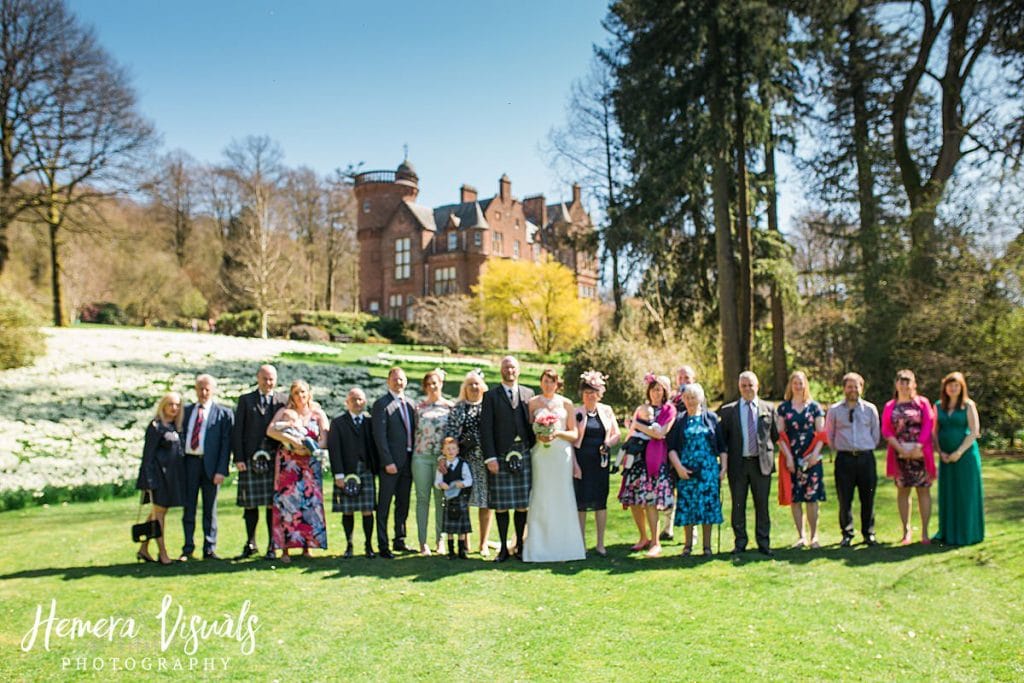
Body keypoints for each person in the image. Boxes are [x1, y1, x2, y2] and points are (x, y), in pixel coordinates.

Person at [523, 368, 585, 562]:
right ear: (541, 383)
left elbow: (574, 434)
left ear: (557, 384)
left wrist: (556, 433)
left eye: (552, 381)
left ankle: (565, 547)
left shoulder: (566, 404)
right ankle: (538, 547)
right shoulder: (532, 403)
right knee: (541, 496)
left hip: (561, 454)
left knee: (562, 496)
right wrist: (540, 433)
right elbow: (527, 430)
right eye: (545, 381)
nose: (548, 384)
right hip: (541, 454)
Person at [480, 356, 536, 562]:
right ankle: (503, 548)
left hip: (524, 451)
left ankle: (519, 546)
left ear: (518, 370)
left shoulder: (529, 394)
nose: (509, 370)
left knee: (522, 504)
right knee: (502, 504)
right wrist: (490, 458)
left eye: (512, 367)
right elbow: (485, 429)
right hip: (501, 454)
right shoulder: (491, 396)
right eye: (506, 367)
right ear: (501, 370)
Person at [267, 379, 329, 563]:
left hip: (309, 463)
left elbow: (325, 438)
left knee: (309, 504)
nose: (300, 396)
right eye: (296, 393)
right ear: (292, 395)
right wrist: (293, 442)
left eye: (303, 392)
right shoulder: (285, 412)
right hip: (288, 464)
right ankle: (285, 549)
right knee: (288, 505)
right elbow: (270, 430)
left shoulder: (317, 413)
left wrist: (311, 448)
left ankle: (307, 546)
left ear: (309, 393)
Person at [719, 371, 778, 557]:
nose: (747, 388)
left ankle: (764, 542)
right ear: (739, 388)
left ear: (757, 386)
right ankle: (740, 542)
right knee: (738, 505)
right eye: (743, 385)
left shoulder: (768, 408)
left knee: (762, 506)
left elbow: (774, 436)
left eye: (750, 385)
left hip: (761, 464)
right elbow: (723, 439)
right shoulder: (728, 411)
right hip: (738, 465)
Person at [618, 374, 677, 558]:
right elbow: (631, 432)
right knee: (635, 500)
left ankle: (655, 542)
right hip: (637, 460)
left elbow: (660, 434)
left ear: (664, 392)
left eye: (659, 389)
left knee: (651, 501)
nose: (656, 393)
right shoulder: (642, 408)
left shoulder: (669, 410)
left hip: (655, 460)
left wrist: (638, 425)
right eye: (653, 389)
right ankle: (643, 537)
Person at [232, 364, 285, 561]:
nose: (268, 382)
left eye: (271, 379)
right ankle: (251, 542)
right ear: (258, 378)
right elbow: (237, 431)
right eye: (265, 378)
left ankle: (273, 545)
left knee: (272, 505)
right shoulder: (246, 400)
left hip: (274, 459)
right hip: (250, 458)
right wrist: (238, 457)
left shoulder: (282, 400)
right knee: (250, 505)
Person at [179, 374, 234, 561]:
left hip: (211, 467)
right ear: (195, 389)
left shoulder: (223, 414)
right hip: (189, 464)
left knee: (210, 509)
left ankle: (209, 548)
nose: (203, 393)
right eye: (200, 388)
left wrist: (221, 470)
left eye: (207, 389)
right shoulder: (185, 412)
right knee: (189, 507)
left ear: (213, 390)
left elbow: (226, 445)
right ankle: (188, 547)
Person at [667, 383, 725, 556]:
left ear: (700, 398)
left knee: (708, 508)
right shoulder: (679, 420)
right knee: (688, 507)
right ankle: (688, 546)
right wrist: (678, 468)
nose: (690, 401)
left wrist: (723, 468)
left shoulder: (712, 418)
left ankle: (707, 547)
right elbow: (671, 448)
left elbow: (722, 446)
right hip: (686, 471)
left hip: (708, 470)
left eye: (693, 397)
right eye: (687, 398)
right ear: (683, 400)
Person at [824, 372, 881, 547]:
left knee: (868, 497)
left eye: (856, 386)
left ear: (861, 388)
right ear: (844, 389)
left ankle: (868, 533)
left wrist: (865, 446)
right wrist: (840, 448)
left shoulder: (870, 409)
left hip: (865, 458)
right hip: (844, 459)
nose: (853, 390)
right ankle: (847, 533)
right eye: (849, 386)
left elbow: (876, 434)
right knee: (845, 498)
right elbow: (829, 434)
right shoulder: (835, 410)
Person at [881, 369, 936, 545]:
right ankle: (906, 531)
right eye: (901, 382)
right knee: (903, 492)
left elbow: (929, 424)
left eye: (908, 382)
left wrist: (918, 446)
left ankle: (925, 533)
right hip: (899, 455)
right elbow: (886, 429)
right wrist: (900, 449)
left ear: (914, 384)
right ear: (896, 384)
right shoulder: (891, 406)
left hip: (920, 454)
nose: (904, 385)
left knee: (923, 491)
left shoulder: (922, 403)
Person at [444, 370, 493, 555]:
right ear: (464, 388)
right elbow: (451, 434)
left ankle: (484, 543)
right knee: (462, 502)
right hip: (463, 462)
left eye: (477, 383)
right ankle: (464, 542)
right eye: (470, 384)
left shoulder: (489, 406)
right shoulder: (458, 408)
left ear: (482, 387)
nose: (474, 387)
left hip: (484, 461)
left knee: (485, 502)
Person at [776, 371, 827, 549]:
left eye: (801, 382)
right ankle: (801, 536)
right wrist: (788, 457)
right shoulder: (783, 408)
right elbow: (780, 435)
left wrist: (815, 455)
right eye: (795, 383)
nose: (798, 386)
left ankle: (814, 536)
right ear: (790, 385)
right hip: (792, 458)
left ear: (806, 385)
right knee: (796, 498)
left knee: (812, 498)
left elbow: (822, 433)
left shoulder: (815, 407)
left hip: (812, 457)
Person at [572, 370, 621, 556]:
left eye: (593, 392)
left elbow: (617, 434)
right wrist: (574, 465)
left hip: (601, 462)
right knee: (581, 503)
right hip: (582, 462)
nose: (590, 396)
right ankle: (581, 543)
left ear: (599, 393)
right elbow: (571, 443)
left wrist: (608, 443)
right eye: (586, 392)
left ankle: (600, 544)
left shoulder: (606, 410)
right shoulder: (576, 412)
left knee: (601, 502)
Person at [933, 372, 985, 545]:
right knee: (949, 494)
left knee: (965, 494)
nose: (953, 388)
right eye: (950, 385)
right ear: (945, 387)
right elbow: (935, 432)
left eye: (956, 385)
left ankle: (967, 534)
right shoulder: (938, 406)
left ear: (961, 387)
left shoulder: (968, 405)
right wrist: (940, 452)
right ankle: (947, 533)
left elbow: (974, 431)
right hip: (946, 458)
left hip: (966, 457)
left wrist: (959, 452)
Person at [327, 387, 379, 559]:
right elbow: (334, 450)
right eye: (354, 399)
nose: (357, 403)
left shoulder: (370, 421)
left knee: (367, 509)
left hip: (366, 471)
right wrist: (339, 475)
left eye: (360, 399)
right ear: (347, 402)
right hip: (347, 472)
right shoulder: (338, 422)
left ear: (365, 401)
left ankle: (368, 545)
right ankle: (349, 545)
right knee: (347, 510)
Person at [371, 367, 418, 559]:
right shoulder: (381, 404)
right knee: (384, 505)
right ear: (388, 381)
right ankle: (383, 544)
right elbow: (379, 436)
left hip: (408, 461)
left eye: (401, 379)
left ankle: (400, 539)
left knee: (403, 503)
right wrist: (387, 461)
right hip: (390, 463)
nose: (398, 382)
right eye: (395, 379)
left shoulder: (411, 404)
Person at [135, 392, 185, 565]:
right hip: (158, 477)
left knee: (157, 513)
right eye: (170, 404)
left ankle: (143, 548)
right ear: (163, 405)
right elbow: (147, 455)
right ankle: (162, 553)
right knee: (159, 515)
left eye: (177, 405)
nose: (174, 408)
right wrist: (148, 481)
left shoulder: (174, 427)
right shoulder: (156, 427)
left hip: (171, 477)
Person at [412, 368, 453, 555]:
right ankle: (422, 543)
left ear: (441, 384)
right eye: (428, 384)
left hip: (441, 460)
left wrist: (446, 457)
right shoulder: (418, 408)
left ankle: (440, 540)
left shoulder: (449, 407)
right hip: (421, 457)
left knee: (441, 500)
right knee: (422, 500)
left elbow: (453, 435)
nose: (432, 386)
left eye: (435, 383)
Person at [663, 364, 697, 541]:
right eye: (681, 378)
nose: (683, 381)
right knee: (670, 489)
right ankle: (668, 527)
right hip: (670, 450)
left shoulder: (698, 399)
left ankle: (694, 531)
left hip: (691, 452)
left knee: (690, 491)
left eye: (687, 378)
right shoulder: (671, 401)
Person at [434, 437, 473, 559]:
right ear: (443, 451)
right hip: (449, 499)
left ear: (457, 450)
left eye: (453, 449)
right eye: (448, 449)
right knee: (450, 528)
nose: (451, 451)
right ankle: (451, 551)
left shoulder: (463, 464)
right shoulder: (442, 466)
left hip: (461, 498)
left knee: (461, 528)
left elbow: (469, 480)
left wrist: (463, 484)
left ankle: (462, 550)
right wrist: (441, 485)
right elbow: (437, 482)